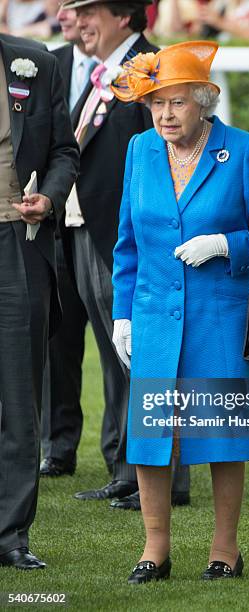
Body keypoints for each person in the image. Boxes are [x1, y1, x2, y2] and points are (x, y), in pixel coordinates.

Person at [111, 40, 249, 583]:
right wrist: (123, 314)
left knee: (221, 435)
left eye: (178, 102)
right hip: (155, 313)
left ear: (204, 102)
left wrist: (227, 246)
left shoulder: (241, 150)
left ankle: (225, 550)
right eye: (157, 102)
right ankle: (155, 551)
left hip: (220, 315)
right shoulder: (140, 150)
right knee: (151, 434)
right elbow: (128, 244)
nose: (165, 114)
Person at [60, 0, 190, 506]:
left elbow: (173, 155)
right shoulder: (107, 72)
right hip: (96, 231)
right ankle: (127, 469)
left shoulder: (156, 67)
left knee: (149, 358)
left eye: (87, 10)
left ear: (123, 15)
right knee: (119, 357)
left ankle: (168, 478)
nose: (76, 21)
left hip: (136, 238)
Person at [0, 33, 79, 570]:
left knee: (20, 395)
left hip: (17, 246)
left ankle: (10, 535)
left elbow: (64, 151)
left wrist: (49, 196)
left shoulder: (36, 63)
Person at [40, 0, 95, 478]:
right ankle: (58, 448)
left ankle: (130, 461)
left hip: (108, 230)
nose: (62, 14)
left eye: (74, 6)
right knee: (57, 343)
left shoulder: (139, 66)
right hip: (55, 224)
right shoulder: (46, 62)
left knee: (123, 347)